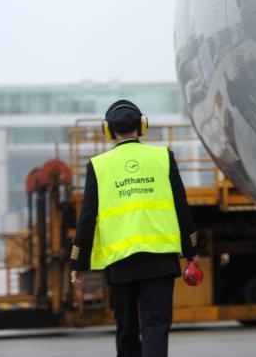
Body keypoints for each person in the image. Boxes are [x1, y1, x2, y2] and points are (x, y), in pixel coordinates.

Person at [70, 100, 199, 357]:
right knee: (156, 328)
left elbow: (87, 217)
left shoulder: (99, 166)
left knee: (126, 329)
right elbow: (181, 207)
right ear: (142, 126)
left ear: (108, 130)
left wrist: (78, 262)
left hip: (121, 264)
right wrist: (191, 251)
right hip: (160, 261)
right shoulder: (163, 158)